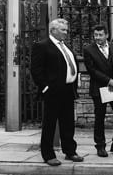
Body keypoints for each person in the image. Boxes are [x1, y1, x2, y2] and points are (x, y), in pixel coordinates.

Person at [30, 18, 83, 166]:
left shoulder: (65, 46)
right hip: (52, 91)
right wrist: (45, 88)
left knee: (68, 123)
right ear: (53, 30)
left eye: (66, 30)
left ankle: (70, 151)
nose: (66, 33)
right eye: (63, 30)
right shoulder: (42, 46)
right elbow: (36, 70)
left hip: (67, 90)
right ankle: (48, 155)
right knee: (50, 124)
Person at [82, 24, 113, 157]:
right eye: (95, 35)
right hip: (99, 88)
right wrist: (108, 81)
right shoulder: (88, 50)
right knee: (100, 117)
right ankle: (100, 146)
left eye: (100, 35)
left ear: (107, 35)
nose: (97, 38)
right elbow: (92, 70)